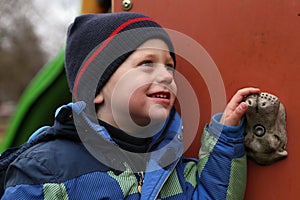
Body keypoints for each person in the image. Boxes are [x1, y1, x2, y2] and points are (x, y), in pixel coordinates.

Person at [1, 12, 260, 199]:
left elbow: (212, 195)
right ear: (95, 89)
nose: (167, 76)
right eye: (147, 63)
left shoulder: (171, 165)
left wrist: (225, 136)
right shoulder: (47, 169)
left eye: (169, 66)